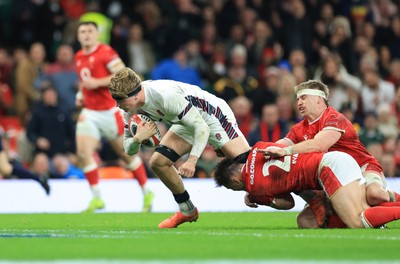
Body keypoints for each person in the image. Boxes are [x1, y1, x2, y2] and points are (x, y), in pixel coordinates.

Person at [108, 67, 251, 228]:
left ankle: (275, 184)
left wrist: (192, 160)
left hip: (212, 114)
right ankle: (187, 210)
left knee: (247, 164)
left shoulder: (164, 95)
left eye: (119, 100)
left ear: (134, 94)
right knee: (158, 162)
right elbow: (129, 150)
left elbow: (202, 128)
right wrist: (137, 139)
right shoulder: (130, 109)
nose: (117, 105)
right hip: (185, 121)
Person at [261, 80, 400, 227]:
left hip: (362, 168)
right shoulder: (298, 129)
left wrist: (285, 151)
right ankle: (371, 219)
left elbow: (319, 145)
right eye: (297, 99)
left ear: (319, 99)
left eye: (303, 98)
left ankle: (392, 203)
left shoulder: (335, 118)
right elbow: (277, 145)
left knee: (374, 195)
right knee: (306, 222)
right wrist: (255, 162)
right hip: (333, 178)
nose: (299, 103)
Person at [214, 141, 400, 229]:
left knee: (357, 222)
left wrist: (262, 199)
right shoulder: (258, 147)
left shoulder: (255, 190)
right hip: (330, 161)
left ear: (235, 180)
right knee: (306, 222)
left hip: (327, 169)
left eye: (234, 188)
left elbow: (288, 203)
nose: (240, 190)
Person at [74, 21, 153, 213]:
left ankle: (147, 191)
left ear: (96, 34)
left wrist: (98, 82)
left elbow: (123, 74)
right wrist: (80, 96)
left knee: (126, 155)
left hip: (110, 111)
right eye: (82, 31)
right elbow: (84, 82)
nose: (85, 35)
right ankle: (97, 198)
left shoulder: (106, 52)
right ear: (78, 36)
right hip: (90, 112)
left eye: (89, 31)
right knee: (83, 153)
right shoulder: (78, 56)